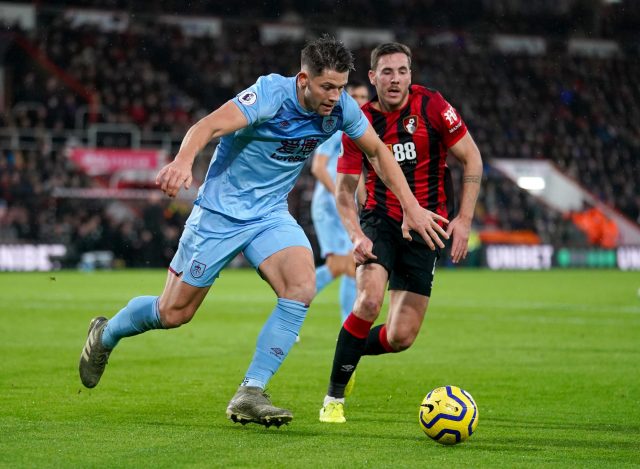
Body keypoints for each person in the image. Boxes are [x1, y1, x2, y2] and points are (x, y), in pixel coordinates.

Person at [78, 36, 449, 428]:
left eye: (341, 87)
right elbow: (207, 126)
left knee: (301, 286)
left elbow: (378, 152)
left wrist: (411, 207)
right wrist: (184, 162)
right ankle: (106, 333)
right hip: (219, 214)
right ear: (304, 79)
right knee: (173, 313)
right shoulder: (270, 95)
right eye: (327, 87)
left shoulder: (340, 108)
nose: (335, 97)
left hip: (269, 215)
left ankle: (251, 389)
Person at [319, 42, 483, 423]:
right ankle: (333, 399)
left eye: (403, 71)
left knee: (400, 337)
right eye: (387, 72)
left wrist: (464, 219)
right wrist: (356, 235)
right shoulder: (358, 123)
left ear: (411, 74)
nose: (395, 80)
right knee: (369, 300)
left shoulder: (432, 106)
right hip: (380, 221)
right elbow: (344, 194)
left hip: (429, 227)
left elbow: (471, 156)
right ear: (373, 77)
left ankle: (350, 346)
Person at [311, 81, 370, 324]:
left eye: (364, 96)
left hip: (345, 208)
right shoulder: (335, 127)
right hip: (329, 206)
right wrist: (340, 194)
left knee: (352, 263)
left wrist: (365, 204)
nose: (359, 100)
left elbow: (356, 174)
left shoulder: (357, 130)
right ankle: (292, 299)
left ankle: (347, 322)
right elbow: (318, 167)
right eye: (354, 95)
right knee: (340, 266)